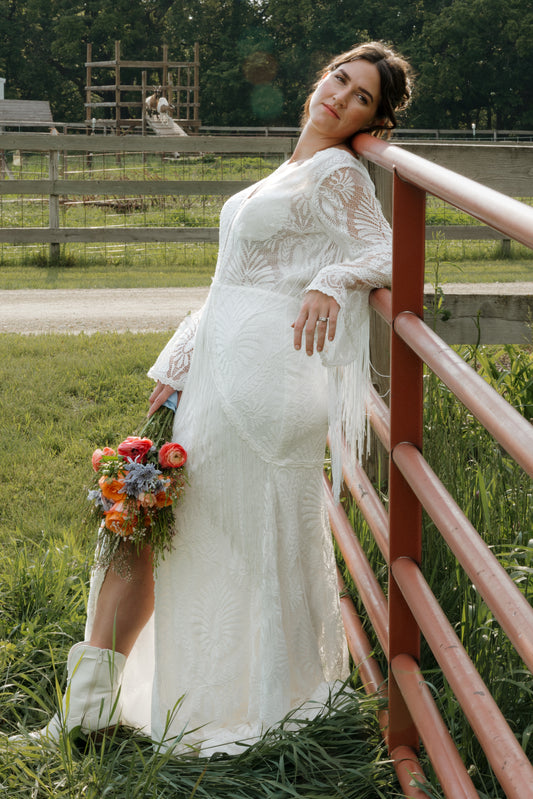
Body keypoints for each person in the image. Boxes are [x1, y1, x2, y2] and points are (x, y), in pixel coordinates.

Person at [18, 41, 412, 754]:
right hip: (215, 373)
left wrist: (332, 278)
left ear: (372, 123)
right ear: (319, 77)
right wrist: (178, 362)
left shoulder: (335, 172)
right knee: (154, 531)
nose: (339, 98)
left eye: (360, 98)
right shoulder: (289, 169)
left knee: (207, 537)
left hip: (266, 383)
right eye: (338, 78)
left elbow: (386, 251)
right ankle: (96, 706)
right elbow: (226, 279)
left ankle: (241, 705)